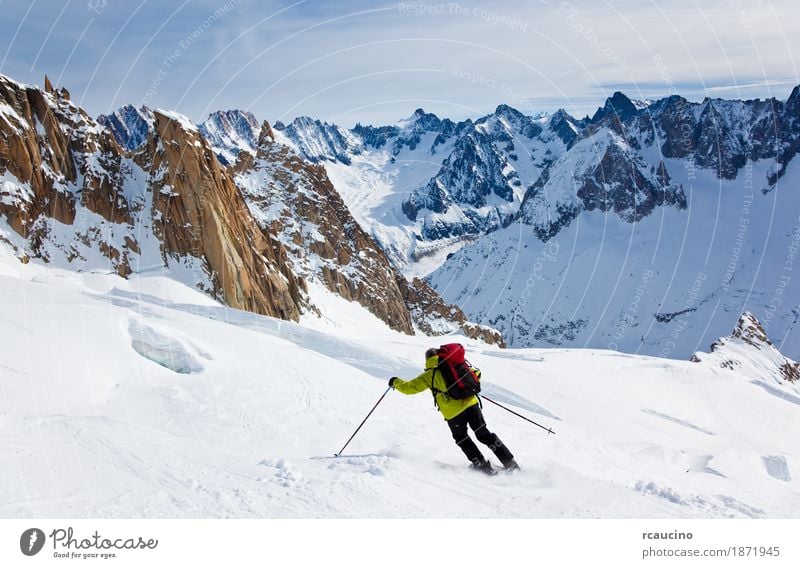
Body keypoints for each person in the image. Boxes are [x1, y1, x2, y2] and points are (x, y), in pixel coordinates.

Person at [389, 347, 519, 474]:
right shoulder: (457, 365)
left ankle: (480, 464)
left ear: (427, 359)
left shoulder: (429, 375)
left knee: (462, 438)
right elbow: (477, 374)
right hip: (472, 405)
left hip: (454, 415)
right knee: (484, 434)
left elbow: (409, 388)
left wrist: (394, 382)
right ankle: (509, 462)